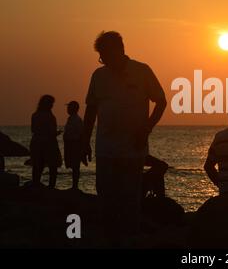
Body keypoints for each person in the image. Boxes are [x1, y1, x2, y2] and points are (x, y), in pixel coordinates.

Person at [82, 31, 167, 243]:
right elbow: (91, 110)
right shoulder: (98, 76)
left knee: (130, 198)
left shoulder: (142, 71)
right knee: (106, 197)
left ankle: (131, 238)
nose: (104, 60)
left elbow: (161, 101)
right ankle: (109, 239)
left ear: (120, 50)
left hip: (133, 149)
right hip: (106, 149)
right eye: (101, 57)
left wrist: (146, 129)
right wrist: (84, 141)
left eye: (106, 55)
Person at [30, 95, 62, 188]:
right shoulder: (50, 116)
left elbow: (33, 129)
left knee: (37, 166)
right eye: (51, 103)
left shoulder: (34, 115)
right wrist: (57, 133)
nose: (52, 105)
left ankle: (35, 185)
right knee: (53, 166)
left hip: (36, 142)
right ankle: (51, 187)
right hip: (49, 143)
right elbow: (51, 131)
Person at [63, 101, 86, 190]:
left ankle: (75, 186)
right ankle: (74, 186)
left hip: (74, 144)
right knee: (73, 165)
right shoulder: (71, 119)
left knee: (75, 166)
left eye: (69, 107)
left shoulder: (77, 120)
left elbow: (80, 134)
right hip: (70, 144)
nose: (67, 109)